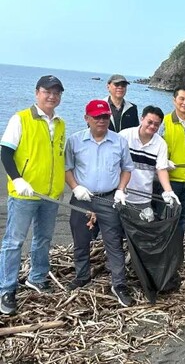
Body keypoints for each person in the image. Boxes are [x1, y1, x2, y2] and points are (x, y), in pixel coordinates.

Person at [0, 76, 65, 315]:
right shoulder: (21, 118)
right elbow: (6, 152)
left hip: (50, 195)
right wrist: (17, 179)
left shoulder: (60, 123)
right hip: (24, 194)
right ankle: (6, 289)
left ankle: (37, 277)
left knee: (43, 239)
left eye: (57, 92)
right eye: (47, 91)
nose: (52, 96)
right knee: (13, 242)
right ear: (37, 92)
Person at [65, 100, 135, 307]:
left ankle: (119, 283)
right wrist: (76, 187)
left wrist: (121, 189)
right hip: (83, 198)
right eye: (97, 117)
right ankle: (82, 275)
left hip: (108, 198)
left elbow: (127, 168)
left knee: (113, 241)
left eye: (105, 116)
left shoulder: (118, 141)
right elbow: (67, 169)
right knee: (81, 239)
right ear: (87, 118)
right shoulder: (74, 140)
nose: (102, 121)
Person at [161, 86, 185, 259]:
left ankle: (176, 252)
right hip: (170, 180)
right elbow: (155, 147)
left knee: (183, 218)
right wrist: (164, 162)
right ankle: (164, 253)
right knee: (168, 217)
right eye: (181, 99)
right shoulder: (165, 122)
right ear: (174, 100)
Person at [119, 105, 180, 209]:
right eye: (149, 122)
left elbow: (161, 169)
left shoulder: (161, 144)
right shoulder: (124, 136)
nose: (152, 126)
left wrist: (168, 191)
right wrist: (119, 189)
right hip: (120, 194)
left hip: (144, 197)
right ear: (141, 119)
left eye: (156, 124)